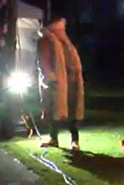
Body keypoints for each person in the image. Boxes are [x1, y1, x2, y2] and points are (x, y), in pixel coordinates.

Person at [37, 16, 84, 150]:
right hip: (56, 81)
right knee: (54, 110)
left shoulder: (64, 41)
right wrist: (50, 77)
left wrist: (74, 73)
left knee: (72, 109)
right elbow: (43, 61)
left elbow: (72, 59)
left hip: (70, 80)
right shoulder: (47, 40)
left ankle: (74, 140)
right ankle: (54, 138)